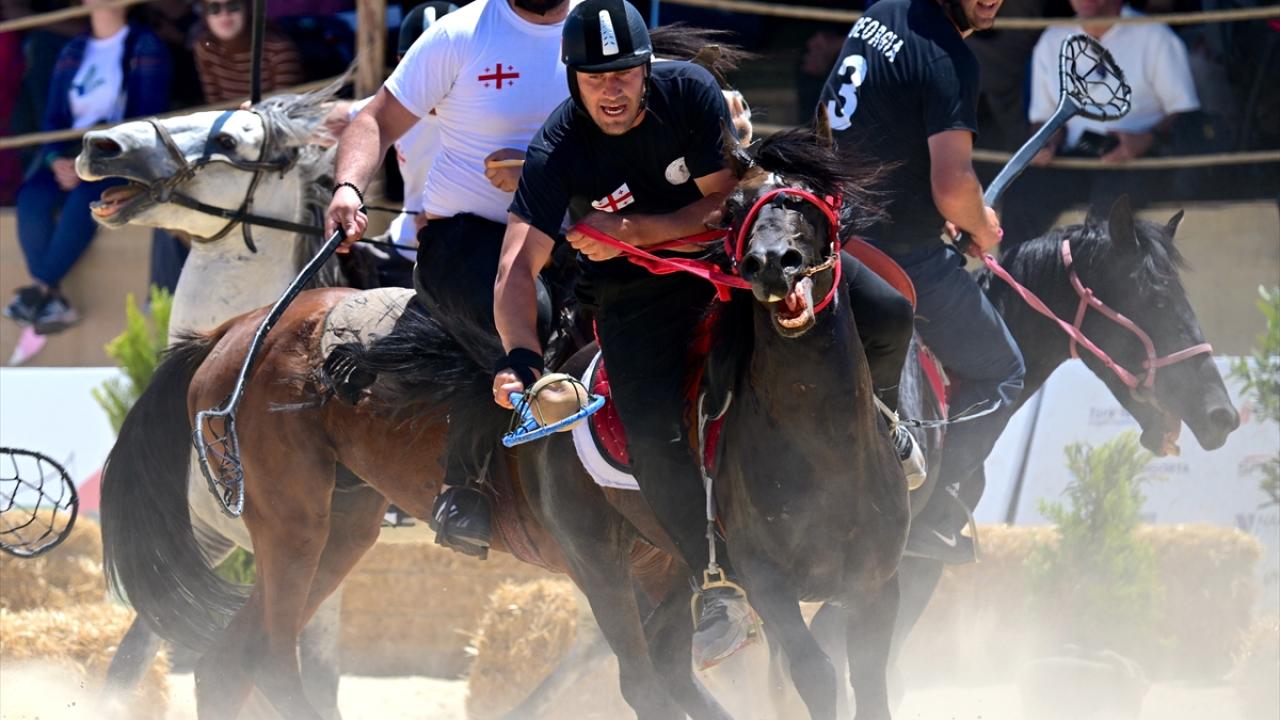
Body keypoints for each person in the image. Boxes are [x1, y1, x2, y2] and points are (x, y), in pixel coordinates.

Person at [491, 0, 915, 667]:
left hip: (732, 259)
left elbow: (724, 202)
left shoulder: (689, 91)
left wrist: (633, 230)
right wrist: (519, 359)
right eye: (595, 77)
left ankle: (884, 426)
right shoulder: (555, 148)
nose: (611, 90)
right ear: (572, 78)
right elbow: (517, 268)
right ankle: (715, 580)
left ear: (646, 67)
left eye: (624, 73)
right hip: (638, 296)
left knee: (889, 312)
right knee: (652, 437)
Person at [324, 0, 576, 556]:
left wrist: (539, 172)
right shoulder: (459, 35)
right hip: (464, 241)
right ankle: (463, 487)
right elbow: (373, 120)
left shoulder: (601, 27)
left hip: (577, 240)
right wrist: (348, 188)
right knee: (528, 317)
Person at [817, 0, 1026, 564]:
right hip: (899, 255)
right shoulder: (950, 58)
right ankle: (933, 513)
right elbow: (953, 184)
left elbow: (846, 126)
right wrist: (980, 225)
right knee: (1003, 371)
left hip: (833, 232)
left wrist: (946, 216)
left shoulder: (880, 13)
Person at [4, 0, 172, 334]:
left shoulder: (146, 45)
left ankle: (41, 289)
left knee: (85, 200)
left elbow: (146, 119)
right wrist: (55, 160)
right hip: (70, 153)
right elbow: (53, 118)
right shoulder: (74, 48)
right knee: (31, 198)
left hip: (117, 155)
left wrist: (95, 161)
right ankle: (48, 295)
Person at [1002, 0, 1201, 241]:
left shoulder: (1154, 35)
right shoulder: (1053, 38)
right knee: (1021, 195)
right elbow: (1043, 118)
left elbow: (1185, 114)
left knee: (1109, 215)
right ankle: (1010, 267)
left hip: (1139, 160)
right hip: (1076, 156)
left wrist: (1145, 140)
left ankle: (1103, 268)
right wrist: (1046, 143)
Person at [348, 1, 460, 290]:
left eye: (441, 65)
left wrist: (453, 225)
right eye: (419, 65)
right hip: (399, 249)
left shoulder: (493, 111)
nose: (432, 78)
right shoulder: (394, 107)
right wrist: (263, 117)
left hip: (467, 259)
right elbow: (336, 119)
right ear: (401, 65)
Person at [193, 0, 303, 104]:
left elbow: (282, 108)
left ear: (248, 9)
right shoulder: (205, 49)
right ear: (205, 15)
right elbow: (214, 105)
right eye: (214, 8)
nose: (224, 14)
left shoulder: (279, 50)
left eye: (233, 6)